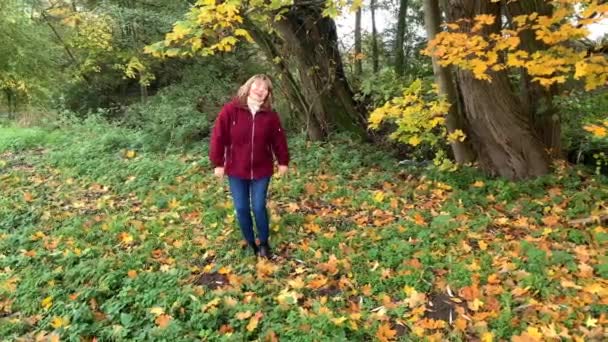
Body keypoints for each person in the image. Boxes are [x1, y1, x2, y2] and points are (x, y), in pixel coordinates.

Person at [209, 74, 289, 259]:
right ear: (248, 86)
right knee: (242, 208)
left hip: (261, 170)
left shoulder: (270, 116)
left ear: (268, 94)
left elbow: (279, 140)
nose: (260, 90)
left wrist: (283, 161)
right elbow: (218, 136)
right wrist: (218, 163)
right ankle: (250, 242)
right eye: (257, 85)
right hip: (236, 170)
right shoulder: (231, 110)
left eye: (265, 88)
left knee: (259, 206)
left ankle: (264, 243)